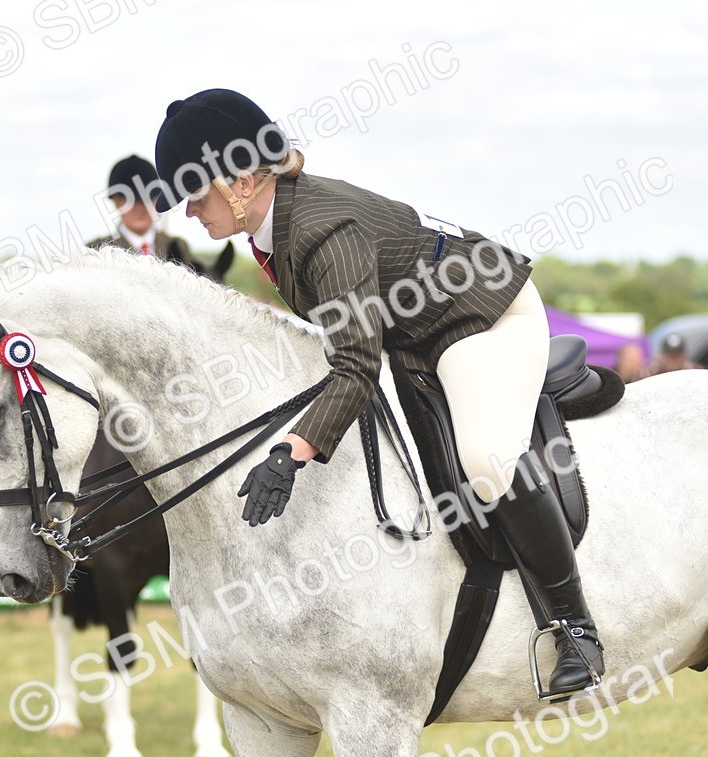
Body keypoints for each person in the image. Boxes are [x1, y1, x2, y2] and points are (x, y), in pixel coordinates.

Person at [152, 89, 604, 695]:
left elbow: (356, 369)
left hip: (480, 318)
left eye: (194, 193)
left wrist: (290, 453)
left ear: (240, 180)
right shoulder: (272, 227)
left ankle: (575, 628)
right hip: (417, 334)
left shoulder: (320, 229)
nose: (188, 212)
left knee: (487, 461)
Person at [89, 154, 231, 283]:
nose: (140, 207)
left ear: (156, 199)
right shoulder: (96, 251)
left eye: (147, 198)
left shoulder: (177, 247)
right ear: (117, 202)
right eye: (131, 200)